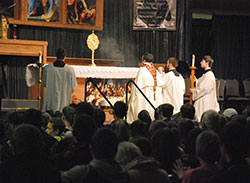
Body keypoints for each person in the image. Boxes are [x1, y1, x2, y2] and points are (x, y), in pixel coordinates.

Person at [127, 52, 164, 123]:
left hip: (145, 93)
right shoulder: (156, 71)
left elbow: (137, 86)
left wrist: (132, 97)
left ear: (144, 60)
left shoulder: (142, 70)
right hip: (154, 94)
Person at [42, 48, 77, 113]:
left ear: (56, 56)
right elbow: (73, 86)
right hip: (64, 100)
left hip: (51, 101)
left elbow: (44, 83)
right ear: (65, 57)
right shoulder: (70, 70)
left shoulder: (47, 69)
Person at [190, 56, 219, 121]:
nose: (200, 62)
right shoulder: (206, 74)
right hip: (203, 98)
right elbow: (203, 84)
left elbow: (205, 89)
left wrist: (194, 91)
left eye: (202, 61)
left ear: (207, 63)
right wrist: (196, 80)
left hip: (205, 101)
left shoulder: (209, 75)